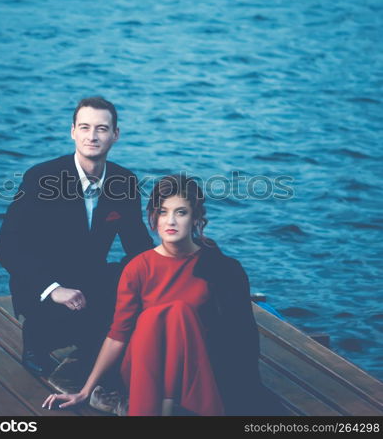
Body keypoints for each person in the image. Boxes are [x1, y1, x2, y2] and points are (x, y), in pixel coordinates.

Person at [42, 174, 288, 416]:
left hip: (195, 367)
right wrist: (85, 391)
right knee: (154, 318)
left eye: (181, 212)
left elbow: (239, 335)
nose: (171, 221)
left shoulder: (219, 267)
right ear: (153, 218)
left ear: (195, 219)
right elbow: (118, 335)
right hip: (143, 366)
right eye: (163, 212)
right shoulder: (139, 267)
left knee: (178, 312)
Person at [0, 96, 153, 378]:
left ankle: (92, 339)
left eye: (102, 129)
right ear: (73, 132)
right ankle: (36, 342)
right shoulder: (42, 177)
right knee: (56, 331)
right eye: (85, 127)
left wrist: (170, 271)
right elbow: (7, 247)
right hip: (44, 285)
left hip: (90, 280)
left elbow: (138, 247)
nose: (92, 136)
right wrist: (52, 288)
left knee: (136, 278)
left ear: (115, 135)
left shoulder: (124, 181)